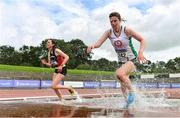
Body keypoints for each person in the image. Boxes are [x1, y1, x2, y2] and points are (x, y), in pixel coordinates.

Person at [86, 12, 147, 107]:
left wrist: (141, 52)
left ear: (120, 20)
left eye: (115, 21)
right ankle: (128, 103)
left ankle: (132, 92)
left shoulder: (127, 30)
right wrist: (92, 46)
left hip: (132, 60)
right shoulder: (109, 32)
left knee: (119, 73)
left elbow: (142, 39)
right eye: (111, 21)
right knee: (122, 81)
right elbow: (98, 43)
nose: (113, 23)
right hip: (121, 61)